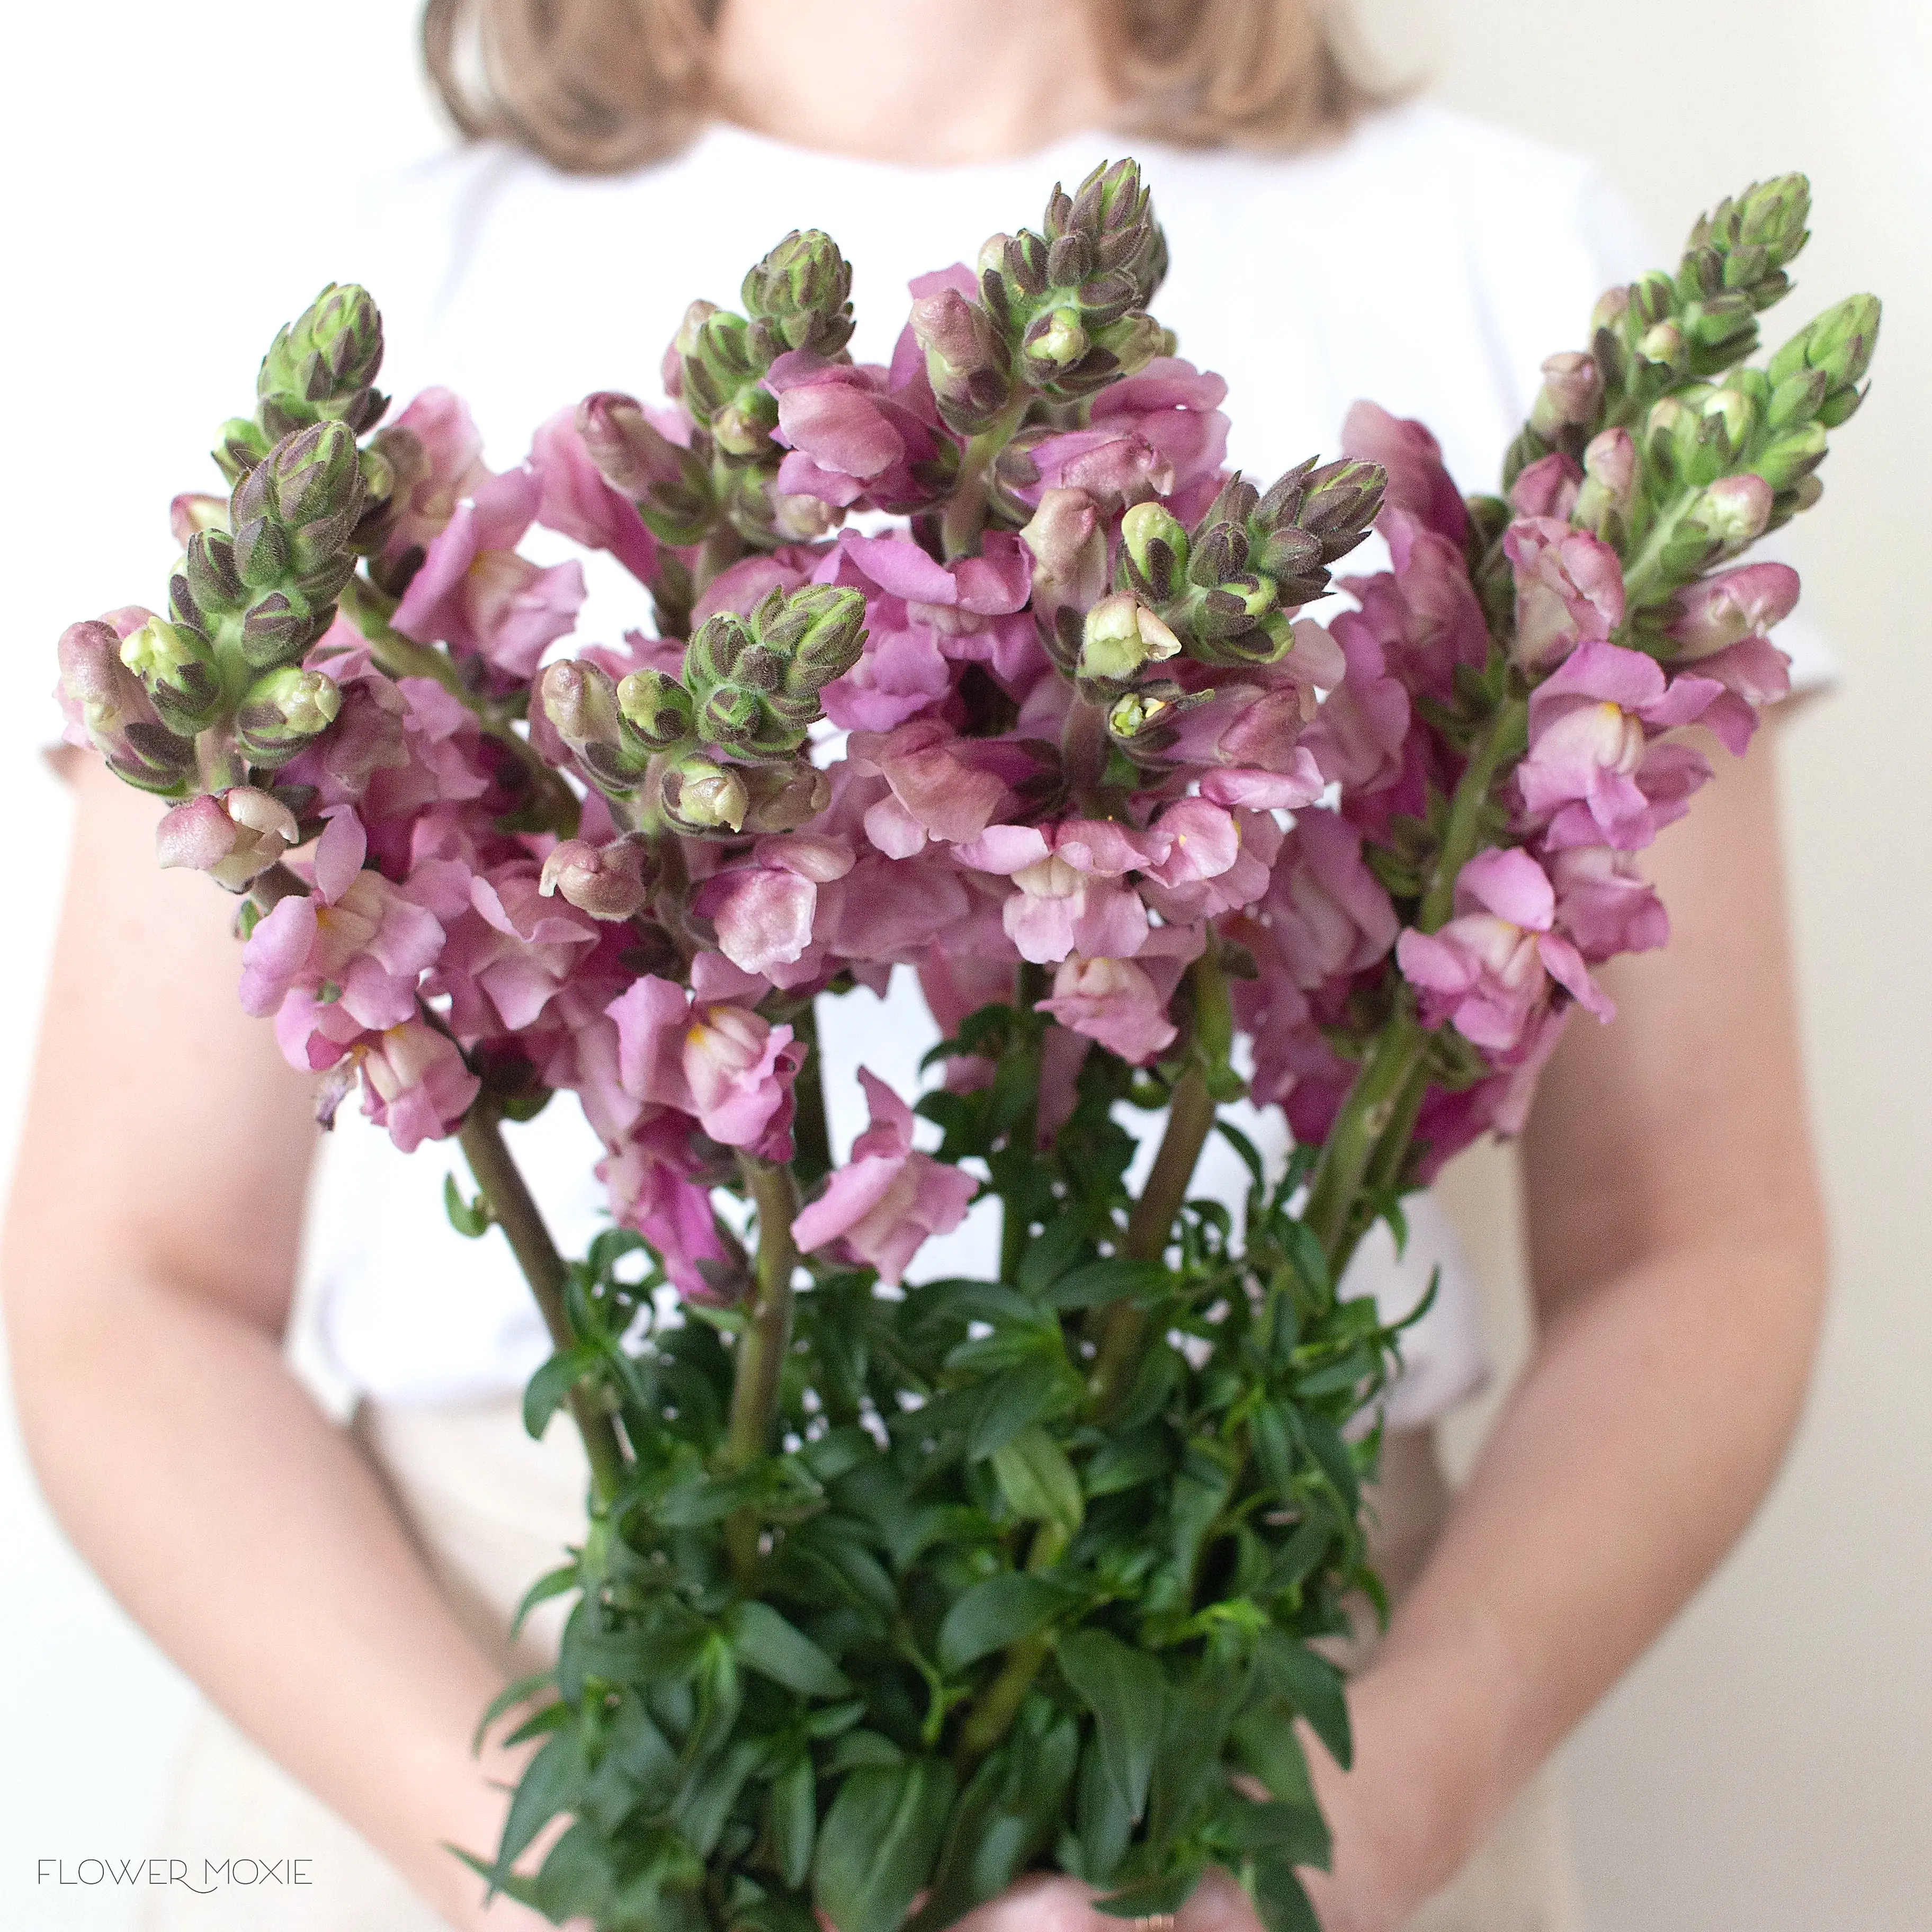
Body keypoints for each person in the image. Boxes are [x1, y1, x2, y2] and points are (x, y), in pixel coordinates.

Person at [2, 3, 1831, 1929]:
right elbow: (134, 1285)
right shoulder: (350, 278)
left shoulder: (1509, 255)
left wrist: (1341, 1842)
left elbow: (1698, 1247)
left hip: (1284, 1725)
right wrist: (555, 1873)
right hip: (452, 1717)